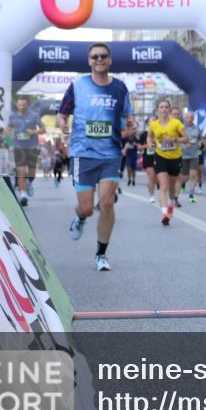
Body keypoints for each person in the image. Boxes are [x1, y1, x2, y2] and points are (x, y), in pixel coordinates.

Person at [58, 43, 135, 272]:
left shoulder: (120, 88)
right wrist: (63, 124)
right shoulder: (77, 86)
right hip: (83, 153)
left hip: (110, 152)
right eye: (95, 56)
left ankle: (101, 253)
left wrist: (131, 123)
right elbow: (62, 114)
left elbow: (128, 114)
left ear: (109, 60)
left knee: (107, 202)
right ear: (89, 61)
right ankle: (80, 218)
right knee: (87, 209)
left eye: (103, 56)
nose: (99, 59)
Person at [148, 99, 188, 226]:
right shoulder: (154, 124)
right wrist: (150, 143)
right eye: (161, 107)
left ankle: (171, 206)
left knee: (171, 188)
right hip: (160, 156)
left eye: (166, 107)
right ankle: (165, 213)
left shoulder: (176, 123)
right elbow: (150, 136)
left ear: (169, 110)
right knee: (163, 186)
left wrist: (174, 139)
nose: (164, 109)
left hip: (175, 158)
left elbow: (186, 139)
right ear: (157, 110)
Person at [7, 97, 45, 207]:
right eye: (20, 105)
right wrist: (10, 139)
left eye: (24, 105)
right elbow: (8, 130)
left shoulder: (34, 116)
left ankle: (29, 182)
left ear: (27, 105)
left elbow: (43, 129)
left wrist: (34, 131)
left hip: (32, 147)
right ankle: (23, 195)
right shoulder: (13, 116)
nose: (22, 107)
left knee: (32, 174)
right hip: (19, 147)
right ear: (17, 105)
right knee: (21, 171)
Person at [180, 111, 202, 203]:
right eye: (188, 117)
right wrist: (185, 144)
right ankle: (182, 184)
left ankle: (191, 194)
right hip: (183, 155)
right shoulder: (181, 128)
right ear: (185, 118)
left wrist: (200, 143)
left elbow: (199, 139)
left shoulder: (197, 128)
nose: (190, 119)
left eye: (191, 117)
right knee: (184, 177)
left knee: (193, 175)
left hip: (194, 155)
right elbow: (177, 140)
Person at [138, 123, 158, 203]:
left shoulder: (159, 131)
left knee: (157, 177)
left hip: (159, 157)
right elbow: (139, 147)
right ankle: (151, 196)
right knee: (151, 176)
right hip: (148, 157)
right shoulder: (144, 134)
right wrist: (147, 146)